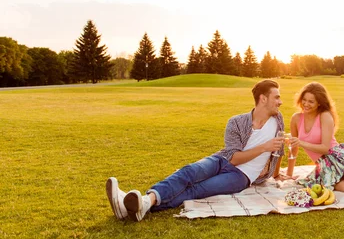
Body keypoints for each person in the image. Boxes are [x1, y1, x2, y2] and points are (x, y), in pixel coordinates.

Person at [106, 79, 292, 222]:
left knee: (197, 189)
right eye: (277, 97)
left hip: (240, 177)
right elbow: (233, 158)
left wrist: (275, 174)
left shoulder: (278, 120)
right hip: (222, 160)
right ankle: (142, 203)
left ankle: (140, 203)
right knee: (187, 172)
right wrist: (264, 147)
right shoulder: (236, 122)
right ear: (263, 98)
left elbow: (278, 152)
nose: (280, 102)